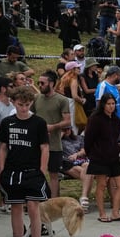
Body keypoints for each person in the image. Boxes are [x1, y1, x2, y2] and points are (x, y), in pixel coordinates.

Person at [0, 86, 50, 237]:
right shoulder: (7, 122)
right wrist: (2, 169)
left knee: (34, 208)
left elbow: (44, 147)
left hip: (32, 171)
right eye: (20, 104)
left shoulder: (39, 123)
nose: (24, 108)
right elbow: (3, 147)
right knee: (16, 209)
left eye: (27, 104)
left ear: (31, 103)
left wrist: (42, 170)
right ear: (13, 102)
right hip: (12, 170)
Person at [84, 93, 120, 222]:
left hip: (113, 156)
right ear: (103, 104)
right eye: (108, 104)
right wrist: (91, 153)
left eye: (113, 104)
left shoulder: (115, 119)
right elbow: (88, 138)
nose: (111, 106)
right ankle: (102, 213)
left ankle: (115, 212)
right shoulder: (96, 119)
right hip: (99, 156)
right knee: (101, 184)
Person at [33, 71, 71, 199]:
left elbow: (67, 121)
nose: (40, 85)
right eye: (39, 83)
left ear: (51, 83)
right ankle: (36, 199)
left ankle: (54, 201)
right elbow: (30, 116)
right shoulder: (37, 98)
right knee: (36, 172)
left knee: (54, 174)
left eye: (42, 83)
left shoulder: (61, 100)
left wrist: (53, 127)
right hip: (36, 144)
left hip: (54, 144)